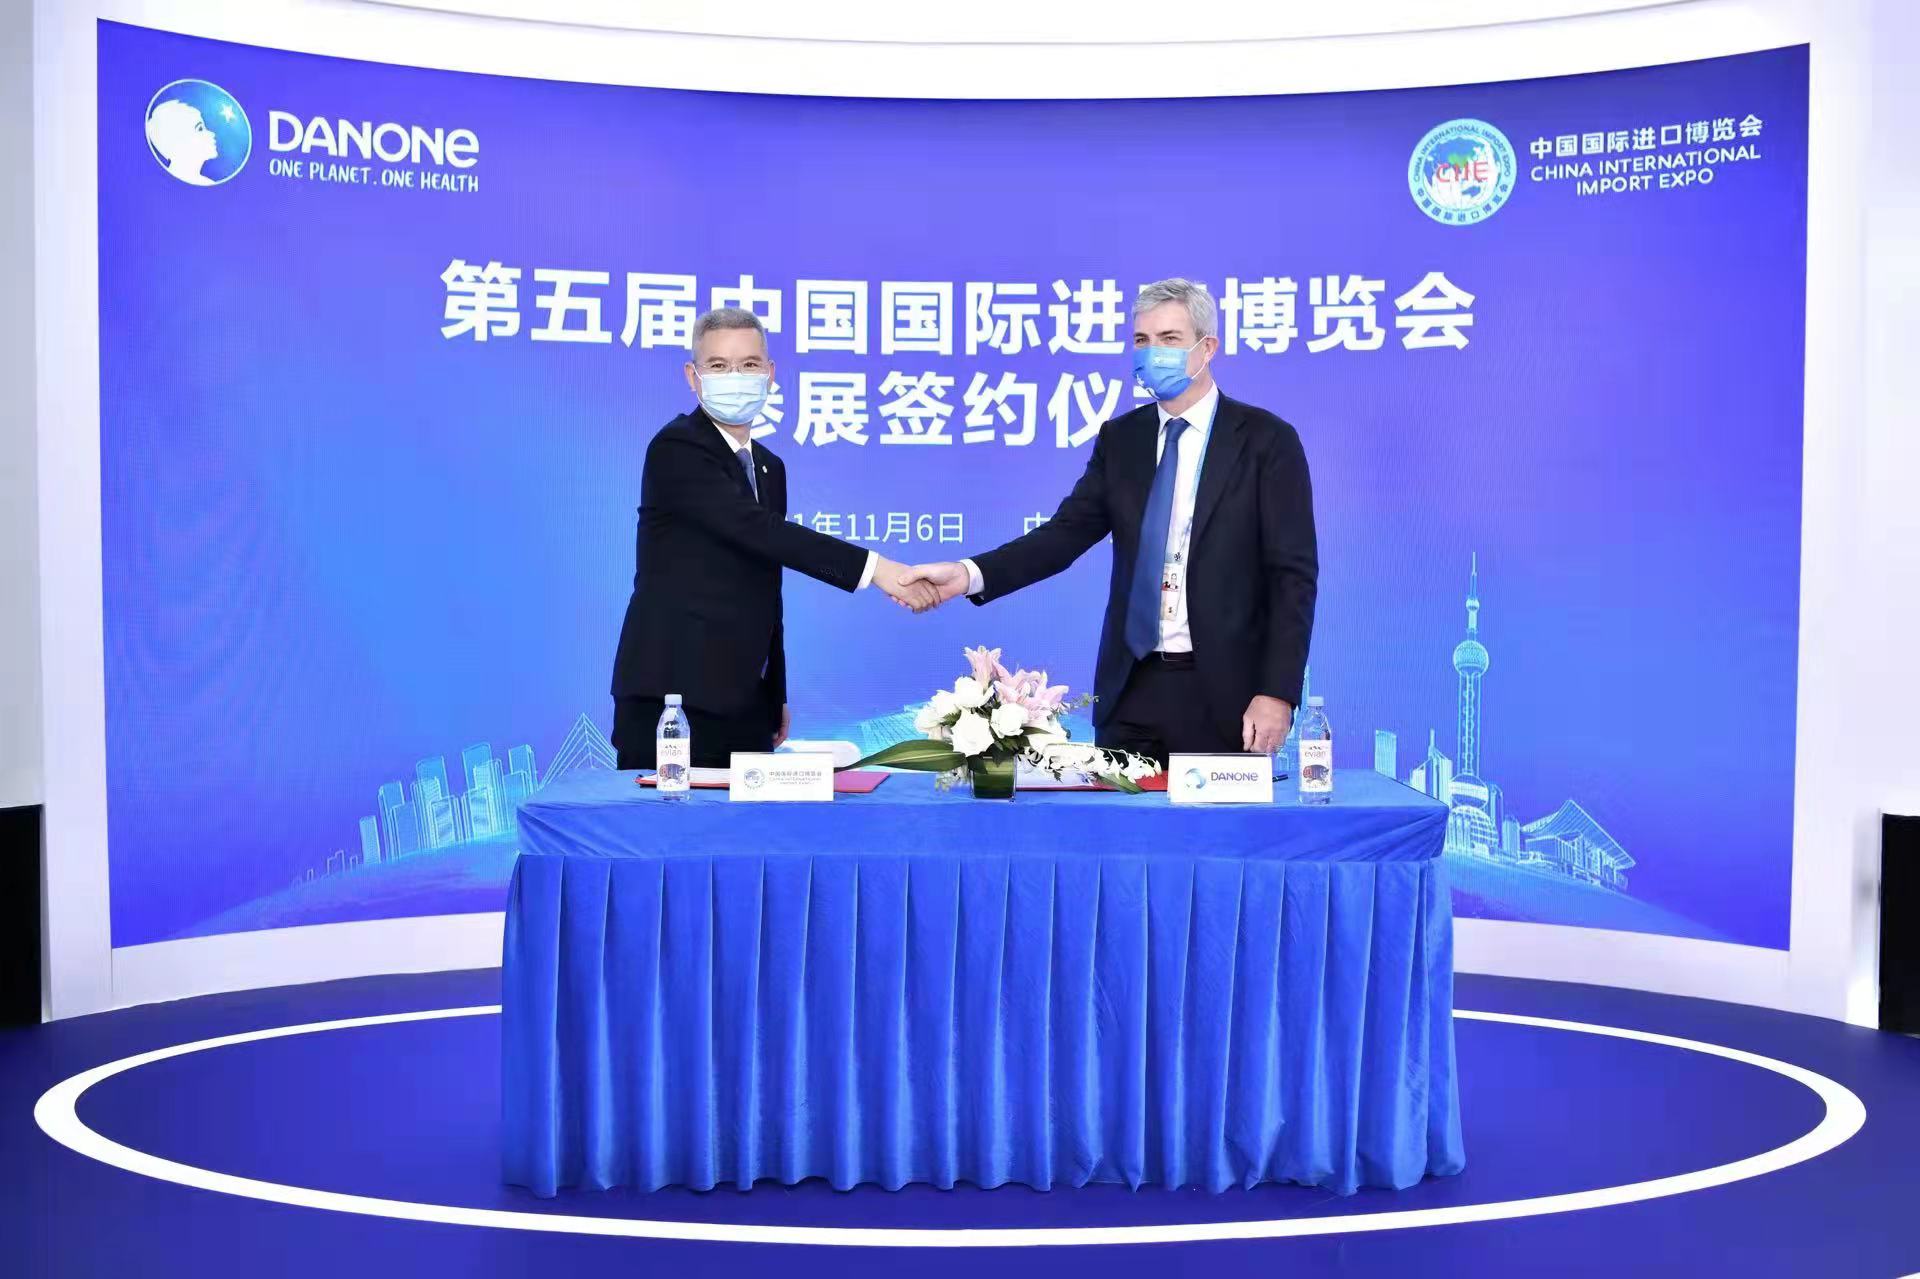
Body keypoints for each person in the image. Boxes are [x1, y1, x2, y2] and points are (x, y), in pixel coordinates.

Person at [902, 278, 1317, 765]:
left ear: (1207, 349)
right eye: (1142, 340)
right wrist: (968, 574)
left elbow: (1292, 577)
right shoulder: (1122, 440)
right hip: (1130, 691)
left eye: (1169, 339)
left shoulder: (1266, 440)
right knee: (1118, 815)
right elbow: (1063, 536)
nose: (1153, 353)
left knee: (1214, 819)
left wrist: (1277, 691)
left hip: (1228, 696)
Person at [610, 307, 936, 769]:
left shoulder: (769, 467)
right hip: (673, 700)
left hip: (745, 700)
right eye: (718, 365)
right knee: (667, 817)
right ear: (693, 376)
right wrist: (878, 570)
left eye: (749, 364)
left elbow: (765, 582)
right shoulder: (677, 447)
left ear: (770, 374)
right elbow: (758, 530)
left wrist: (774, 691)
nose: (735, 377)